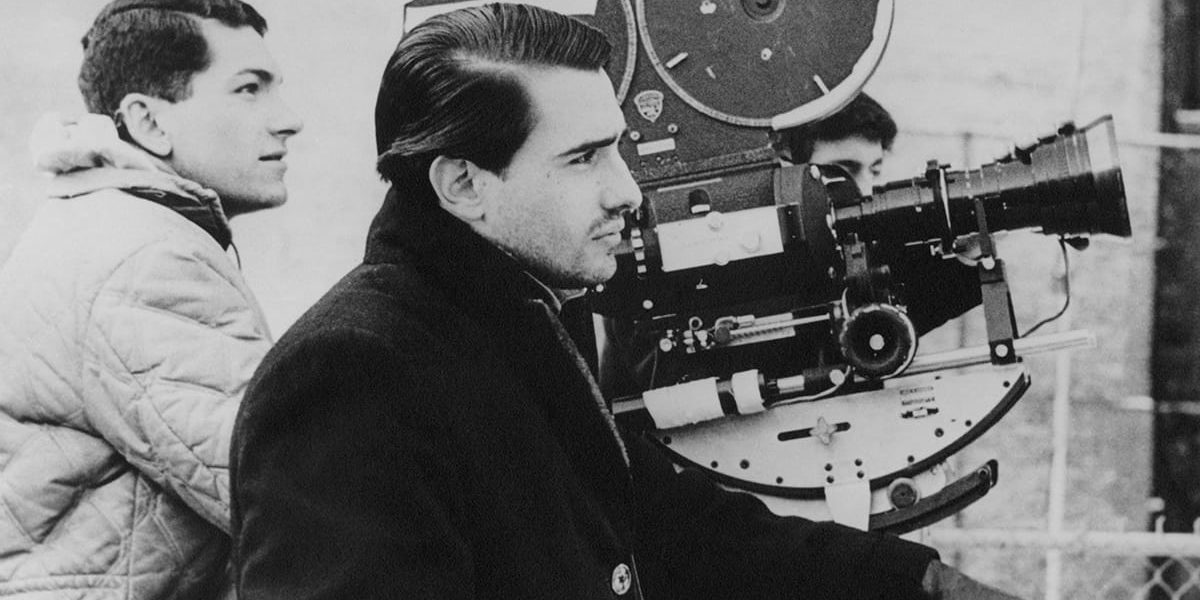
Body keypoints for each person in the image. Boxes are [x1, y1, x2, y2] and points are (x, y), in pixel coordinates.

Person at [230, 4, 1018, 599]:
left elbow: (681, 529)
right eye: (583, 159)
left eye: (617, 148)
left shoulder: (519, 321)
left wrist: (920, 583)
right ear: (463, 184)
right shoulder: (354, 373)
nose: (627, 192)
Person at [0, 1, 301, 598]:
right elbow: (297, 493)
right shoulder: (147, 260)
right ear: (148, 122)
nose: (288, 120)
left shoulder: (100, 221)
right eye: (249, 88)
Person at [598, 93, 983, 398]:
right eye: (845, 170)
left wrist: (965, 260)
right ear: (787, 169)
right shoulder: (700, 269)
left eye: (875, 170)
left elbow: (885, 306)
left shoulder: (839, 248)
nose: (863, 189)